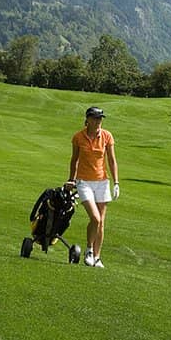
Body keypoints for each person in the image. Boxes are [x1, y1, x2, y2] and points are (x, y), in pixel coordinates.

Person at [66, 106, 119, 268]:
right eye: (95, 119)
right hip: (84, 182)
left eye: (100, 119)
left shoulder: (106, 136)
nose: (98, 122)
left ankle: (97, 257)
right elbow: (74, 160)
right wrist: (71, 180)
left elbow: (111, 160)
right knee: (95, 218)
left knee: (101, 222)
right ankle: (89, 250)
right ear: (87, 119)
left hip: (102, 182)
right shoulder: (78, 137)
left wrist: (116, 182)